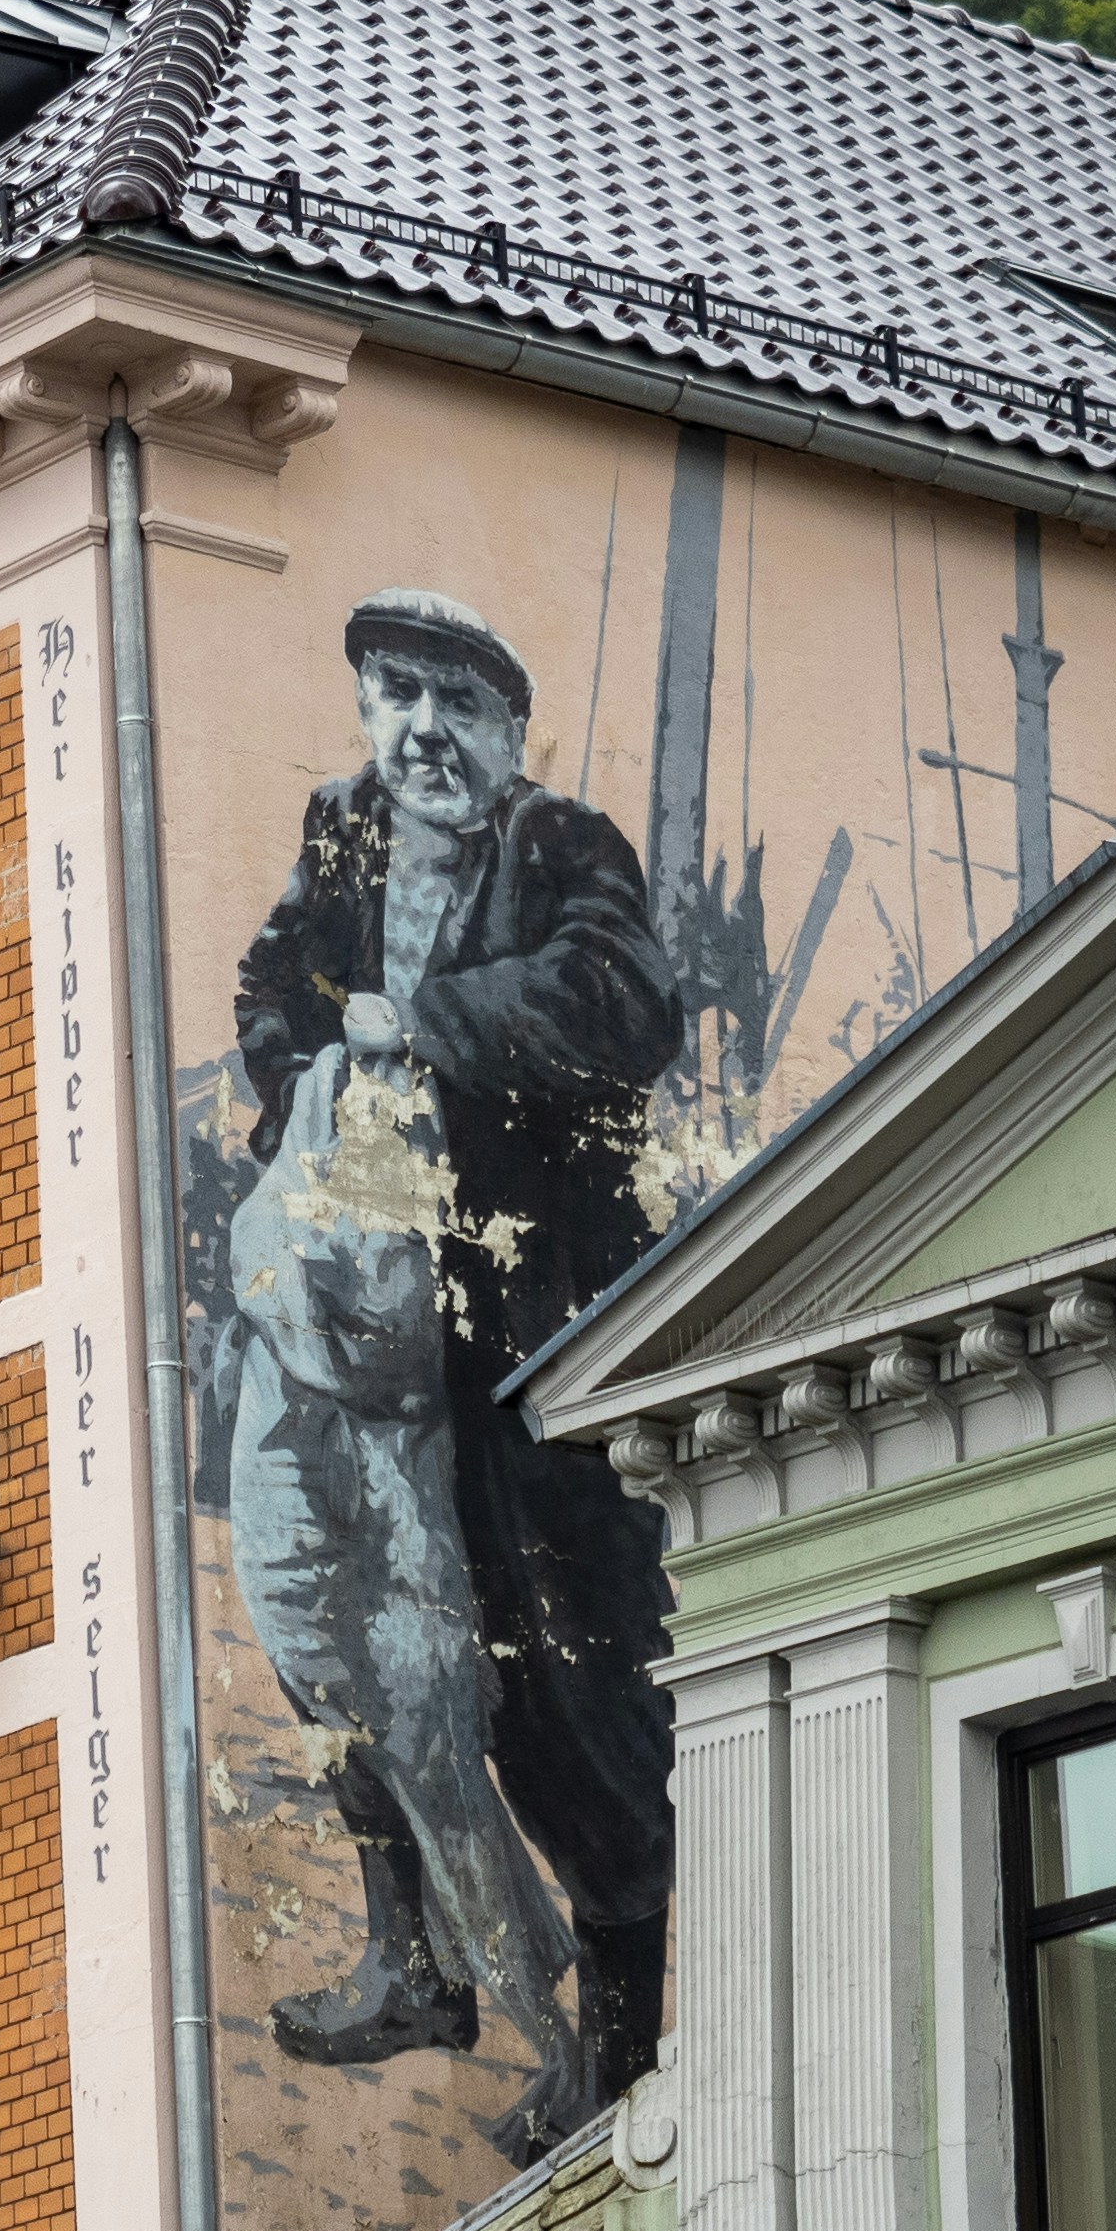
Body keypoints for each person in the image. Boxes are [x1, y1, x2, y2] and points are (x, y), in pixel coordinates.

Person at [225, 587, 682, 2120]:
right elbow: (273, 987)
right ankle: (408, 1955)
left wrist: (419, 1024)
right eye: (396, 695)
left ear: (510, 729)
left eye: (456, 703)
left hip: (519, 1339)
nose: (422, 730)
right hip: (348, 1318)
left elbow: (624, 1002)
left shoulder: (559, 847)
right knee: (334, 1637)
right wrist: (314, 1084)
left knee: (557, 1690)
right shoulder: (341, 827)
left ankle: (620, 2056)